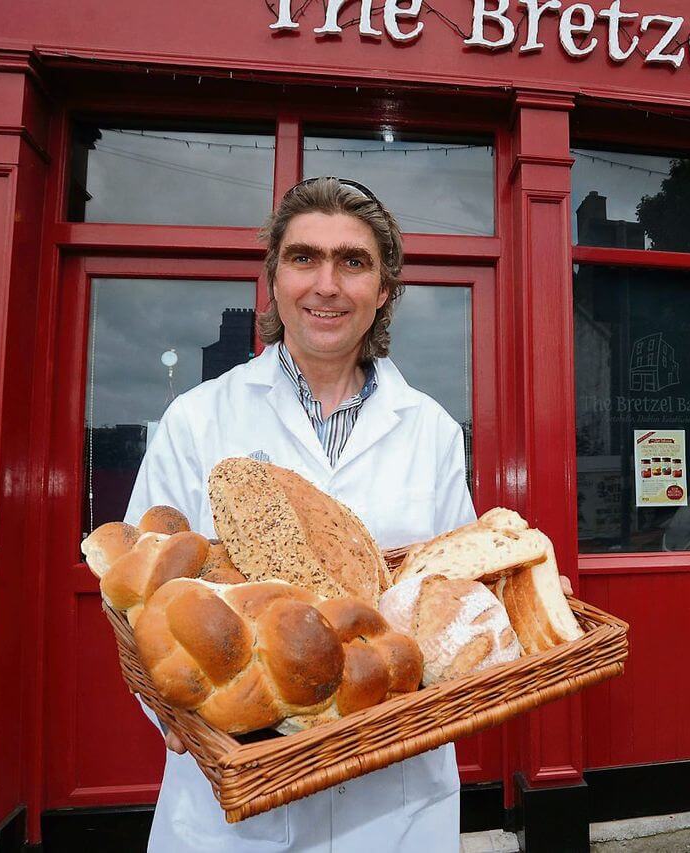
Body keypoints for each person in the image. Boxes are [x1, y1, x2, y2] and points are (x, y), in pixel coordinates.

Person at [123, 177, 474, 851]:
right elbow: (142, 603)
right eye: (304, 257)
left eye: (354, 261)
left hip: (395, 798)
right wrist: (175, 709)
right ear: (274, 278)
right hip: (241, 798)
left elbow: (447, 602)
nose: (327, 284)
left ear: (384, 288)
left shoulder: (431, 430)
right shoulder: (198, 420)